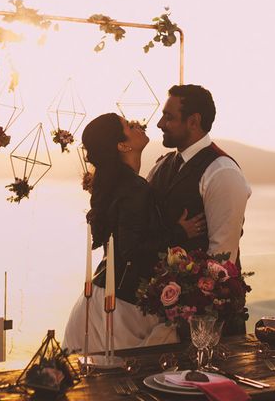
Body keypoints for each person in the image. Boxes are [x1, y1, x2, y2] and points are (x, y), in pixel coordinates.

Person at [62, 113, 205, 353]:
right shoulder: (134, 188)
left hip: (101, 296)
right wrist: (180, 232)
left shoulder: (118, 185)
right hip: (121, 309)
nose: (137, 124)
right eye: (128, 126)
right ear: (122, 145)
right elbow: (130, 249)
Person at [148, 84, 252, 335]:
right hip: (163, 314)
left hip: (207, 320)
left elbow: (221, 259)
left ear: (193, 121)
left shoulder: (222, 171)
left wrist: (196, 315)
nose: (160, 124)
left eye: (169, 117)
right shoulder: (162, 165)